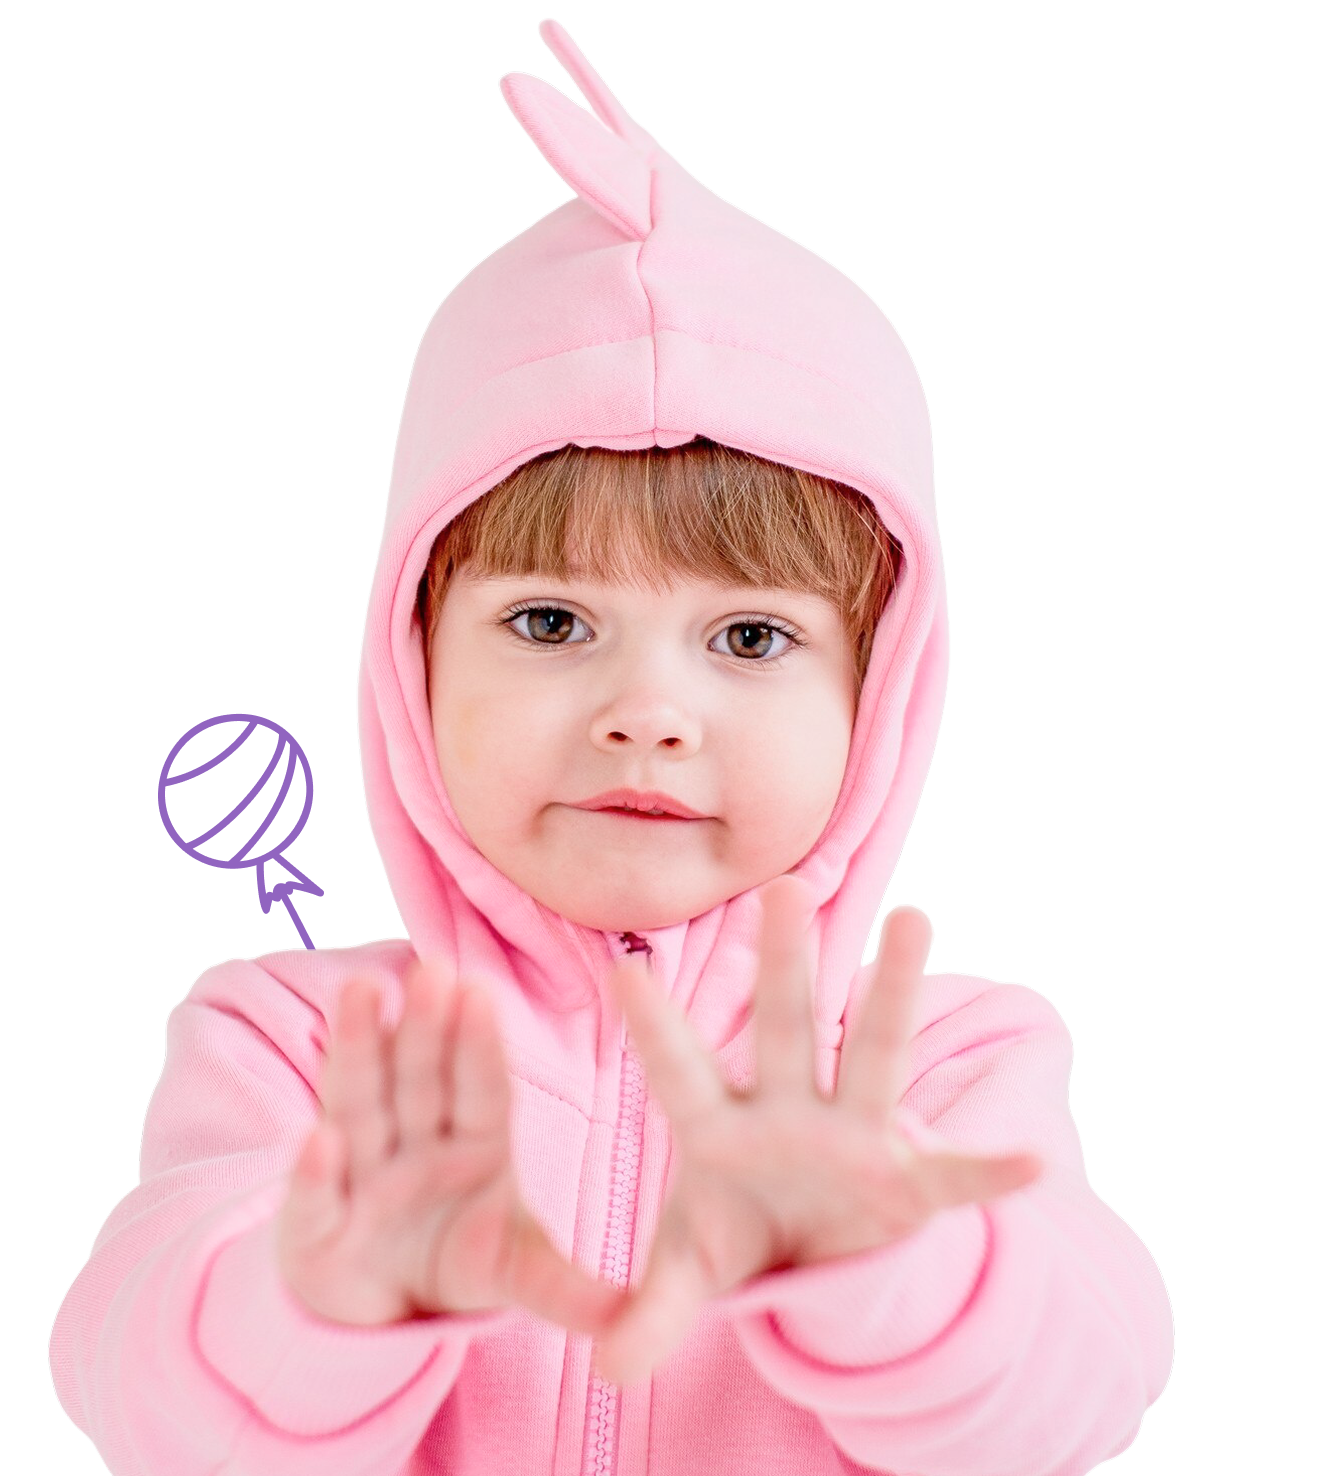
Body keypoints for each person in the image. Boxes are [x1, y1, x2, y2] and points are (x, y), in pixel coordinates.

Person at [48, 16, 1175, 1474]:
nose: (647, 712)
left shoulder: (942, 1066)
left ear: (879, 691)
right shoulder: (300, 1047)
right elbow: (138, 1397)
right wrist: (318, 1297)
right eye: (550, 621)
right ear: (411, 657)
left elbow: (1081, 1396)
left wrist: (891, 1271)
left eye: (751, 638)